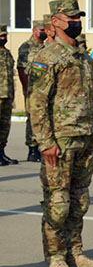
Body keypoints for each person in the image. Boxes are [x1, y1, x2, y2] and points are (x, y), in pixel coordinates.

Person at [26, 0, 93, 267]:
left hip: (84, 137)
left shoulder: (83, 57)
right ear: (56, 22)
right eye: (70, 18)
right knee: (58, 203)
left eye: (78, 17)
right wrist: (45, 142)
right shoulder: (46, 57)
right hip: (59, 141)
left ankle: (76, 251)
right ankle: (56, 255)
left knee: (79, 201)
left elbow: (91, 100)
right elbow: (36, 102)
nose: (76, 22)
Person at [17, 17, 50, 162]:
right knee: (32, 118)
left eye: (45, 30)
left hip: (45, 89)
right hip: (32, 89)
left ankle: (41, 147)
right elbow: (21, 68)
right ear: (34, 30)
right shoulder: (26, 47)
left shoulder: (46, 47)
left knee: (44, 117)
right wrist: (26, 88)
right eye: (41, 30)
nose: (44, 33)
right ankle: (32, 149)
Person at [0, 25, 17, 165]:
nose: (3, 38)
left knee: (5, 126)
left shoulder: (7, 53)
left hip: (7, 94)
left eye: (5, 35)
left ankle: (1, 153)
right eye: (0, 36)